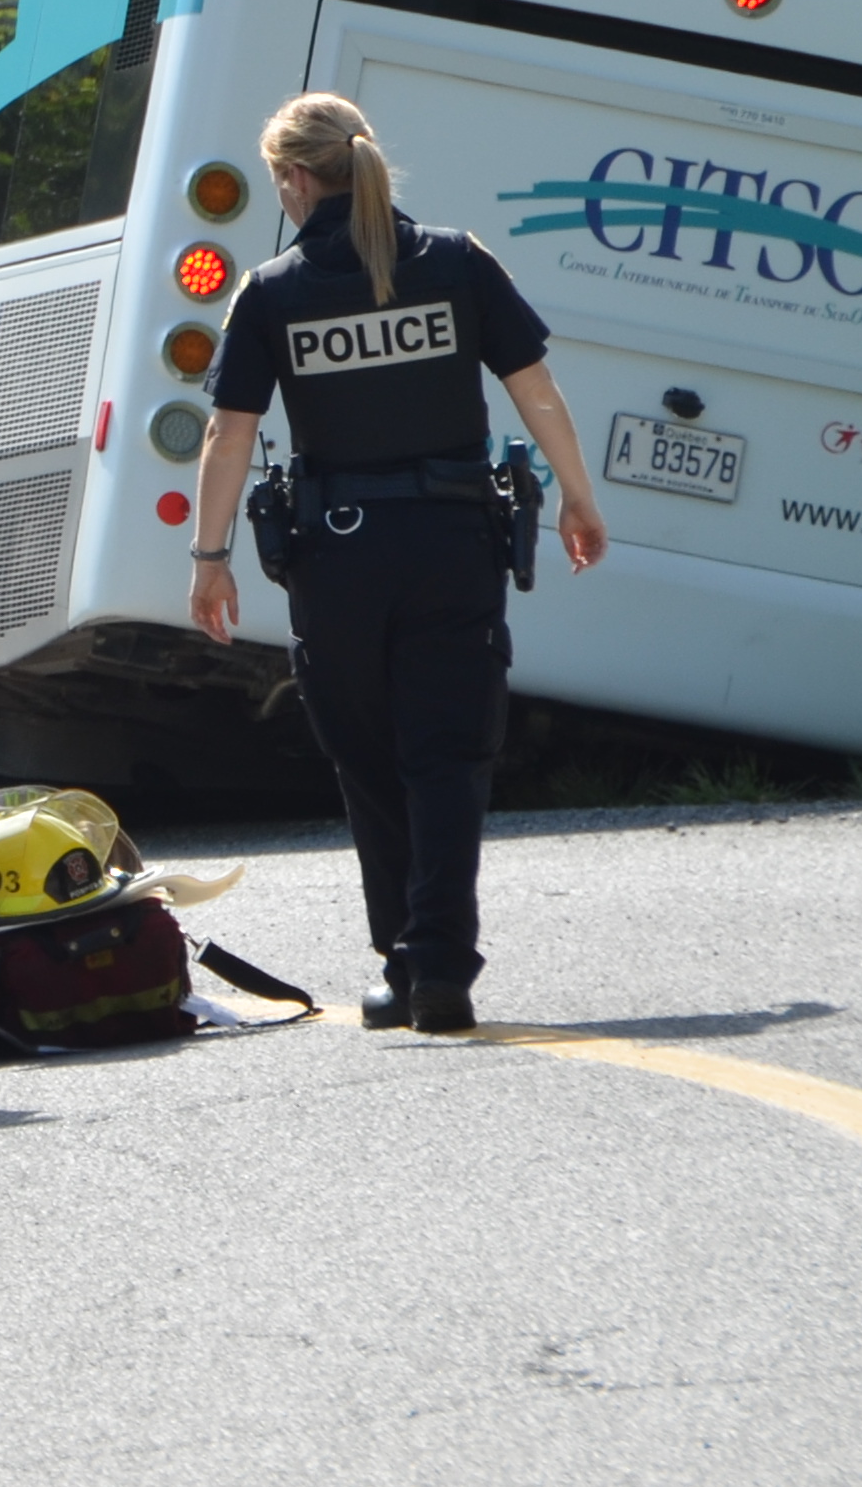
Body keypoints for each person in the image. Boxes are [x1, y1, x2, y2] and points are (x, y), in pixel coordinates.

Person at [186, 91, 607, 1031]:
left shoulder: (273, 292)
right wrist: (579, 496)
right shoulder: (457, 262)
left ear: (297, 178)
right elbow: (534, 388)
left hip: (339, 563)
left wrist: (211, 557)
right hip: (454, 546)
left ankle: (405, 960)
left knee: (370, 755)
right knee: (449, 753)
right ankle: (440, 967)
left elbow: (229, 434)